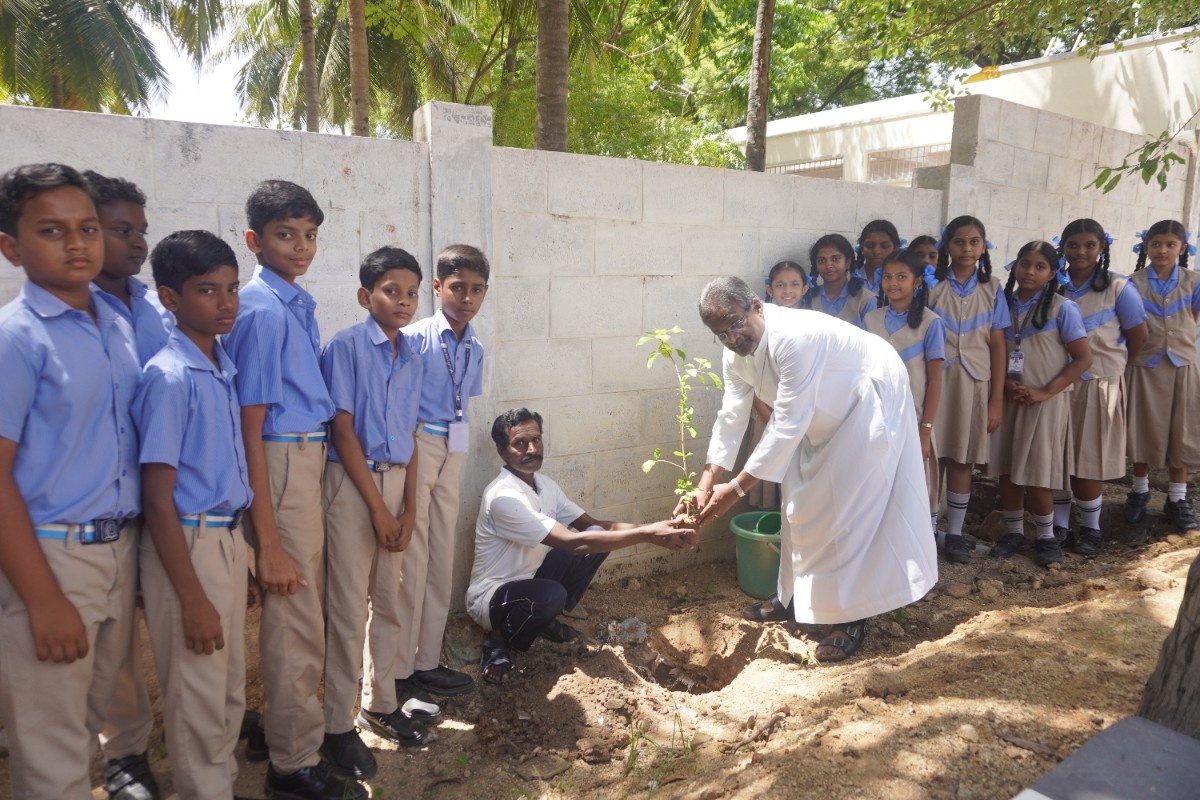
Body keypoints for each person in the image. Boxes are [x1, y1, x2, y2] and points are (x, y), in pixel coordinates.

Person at [691, 277, 937, 663]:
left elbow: (787, 423)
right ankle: (792, 597)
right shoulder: (734, 355)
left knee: (849, 512)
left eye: (736, 324)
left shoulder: (794, 338)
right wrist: (705, 484)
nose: (732, 338)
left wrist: (735, 490)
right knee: (799, 507)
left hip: (867, 397)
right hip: (820, 413)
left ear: (756, 306)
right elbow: (731, 417)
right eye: (721, 334)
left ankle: (851, 617)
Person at [0, 163, 141, 798]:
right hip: (53, 559)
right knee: (52, 755)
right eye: (52, 230)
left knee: (85, 729)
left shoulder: (115, 323)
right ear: (11, 247)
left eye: (86, 227)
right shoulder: (17, 338)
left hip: (118, 551)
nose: (77, 243)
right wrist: (43, 599)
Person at [222, 180, 361, 800]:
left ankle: (281, 735)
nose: (301, 246)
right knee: (294, 617)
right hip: (280, 462)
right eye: (285, 235)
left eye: (309, 235)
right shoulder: (260, 309)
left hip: (305, 459)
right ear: (254, 240)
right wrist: (269, 543)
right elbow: (249, 427)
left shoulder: (294, 303)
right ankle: (292, 762)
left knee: (304, 612)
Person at [132, 230, 258, 799]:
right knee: (197, 696)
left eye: (232, 288)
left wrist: (240, 560)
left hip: (223, 541)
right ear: (170, 298)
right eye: (208, 290)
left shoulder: (220, 366)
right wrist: (192, 598)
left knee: (227, 688)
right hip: (187, 546)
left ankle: (219, 786)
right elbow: (158, 498)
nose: (226, 302)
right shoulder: (169, 376)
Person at [466, 408, 695, 685]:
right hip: (493, 596)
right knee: (551, 593)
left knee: (596, 537)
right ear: (502, 450)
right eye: (520, 443)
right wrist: (648, 535)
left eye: (536, 440)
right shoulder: (503, 497)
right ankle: (498, 639)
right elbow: (573, 543)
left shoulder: (545, 485)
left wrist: (659, 529)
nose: (532, 449)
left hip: (532, 579)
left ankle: (545, 621)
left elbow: (593, 527)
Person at [319, 246, 429, 780]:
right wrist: (379, 510)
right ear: (366, 296)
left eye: (412, 293)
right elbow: (342, 431)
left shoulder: (413, 357)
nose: (403, 301)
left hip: (396, 484)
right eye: (392, 291)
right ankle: (337, 726)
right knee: (346, 609)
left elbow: (411, 435)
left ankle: (381, 702)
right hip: (351, 485)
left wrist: (408, 510)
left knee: (389, 601)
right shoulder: (345, 347)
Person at [82, 169, 162, 800]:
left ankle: (187, 729)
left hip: (160, 498)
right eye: (119, 229)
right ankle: (125, 752)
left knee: (165, 623)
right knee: (109, 645)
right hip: (95, 507)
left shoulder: (157, 309)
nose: (136, 242)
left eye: (140, 230)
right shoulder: (76, 315)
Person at [395, 245, 489, 701]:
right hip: (418, 445)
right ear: (436, 287)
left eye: (477, 289)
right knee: (411, 558)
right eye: (457, 288)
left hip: (454, 448)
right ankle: (397, 670)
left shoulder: (475, 346)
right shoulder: (413, 340)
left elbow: (464, 400)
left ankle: (426, 661)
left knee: (440, 555)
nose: (467, 298)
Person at [989, 242, 1091, 566]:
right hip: (1010, 397)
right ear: (1014, 266)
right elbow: (996, 350)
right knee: (1007, 467)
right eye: (1024, 264)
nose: (1030, 272)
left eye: (1039, 266)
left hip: (1045, 403)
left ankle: (1046, 537)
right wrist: (1006, 385)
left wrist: (1045, 392)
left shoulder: (1063, 308)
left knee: (1037, 470)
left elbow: (1083, 358)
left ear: (1052, 273)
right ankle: (1014, 532)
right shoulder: (1003, 304)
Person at [1056, 219, 1146, 555]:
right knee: (1058, 455)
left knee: (1087, 458)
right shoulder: (1055, 284)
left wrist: (1112, 368)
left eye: (1089, 245)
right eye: (1073, 245)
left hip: (1098, 385)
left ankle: (1091, 529)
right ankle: (1060, 526)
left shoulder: (1119, 287)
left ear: (1102, 247)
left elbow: (1138, 337)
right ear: (1062, 248)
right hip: (1056, 383)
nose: (1081, 251)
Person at [927, 215, 1010, 564]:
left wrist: (996, 400)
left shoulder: (993, 288)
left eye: (974, 241)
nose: (966, 248)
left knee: (962, 459)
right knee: (932, 458)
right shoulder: (932, 285)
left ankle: (956, 534)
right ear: (947, 246)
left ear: (983, 246)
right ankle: (928, 531)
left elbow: (998, 344)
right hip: (936, 382)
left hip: (974, 384)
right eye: (959, 241)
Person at [1125, 219, 1200, 531]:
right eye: (1156, 244)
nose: (1162, 250)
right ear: (1146, 247)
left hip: (1181, 365)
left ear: (1182, 248)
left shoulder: (1194, 281)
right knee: (1142, 426)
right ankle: (1139, 490)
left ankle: (1177, 497)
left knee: (1181, 430)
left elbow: (1191, 318)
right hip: (1145, 365)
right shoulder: (1132, 283)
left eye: (1170, 244)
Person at [865, 249, 946, 537]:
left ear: (917, 282)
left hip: (913, 419)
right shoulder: (871, 319)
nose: (893, 283)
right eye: (887, 276)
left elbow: (935, 380)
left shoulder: (930, 323)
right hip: (876, 419)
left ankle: (918, 542)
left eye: (902, 277)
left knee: (913, 485)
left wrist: (926, 429)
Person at [751, 261, 809, 511]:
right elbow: (749, 376)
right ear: (769, 289)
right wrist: (768, 416)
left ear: (805, 288)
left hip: (801, 418)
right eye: (780, 285)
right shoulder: (759, 325)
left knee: (799, 482)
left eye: (795, 284)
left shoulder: (812, 323)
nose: (788, 290)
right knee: (768, 479)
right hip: (766, 414)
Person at [804, 233, 875, 328]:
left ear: (847, 262)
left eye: (835, 259)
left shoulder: (865, 300)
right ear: (816, 266)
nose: (828, 265)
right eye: (821, 260)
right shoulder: (808, 298)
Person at [855, 219, 902, 295]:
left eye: (884, 246)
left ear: (895, 249)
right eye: (870, 246)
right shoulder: (848, 280)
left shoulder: (903, 283)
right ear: (861, 248)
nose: (876, 251)